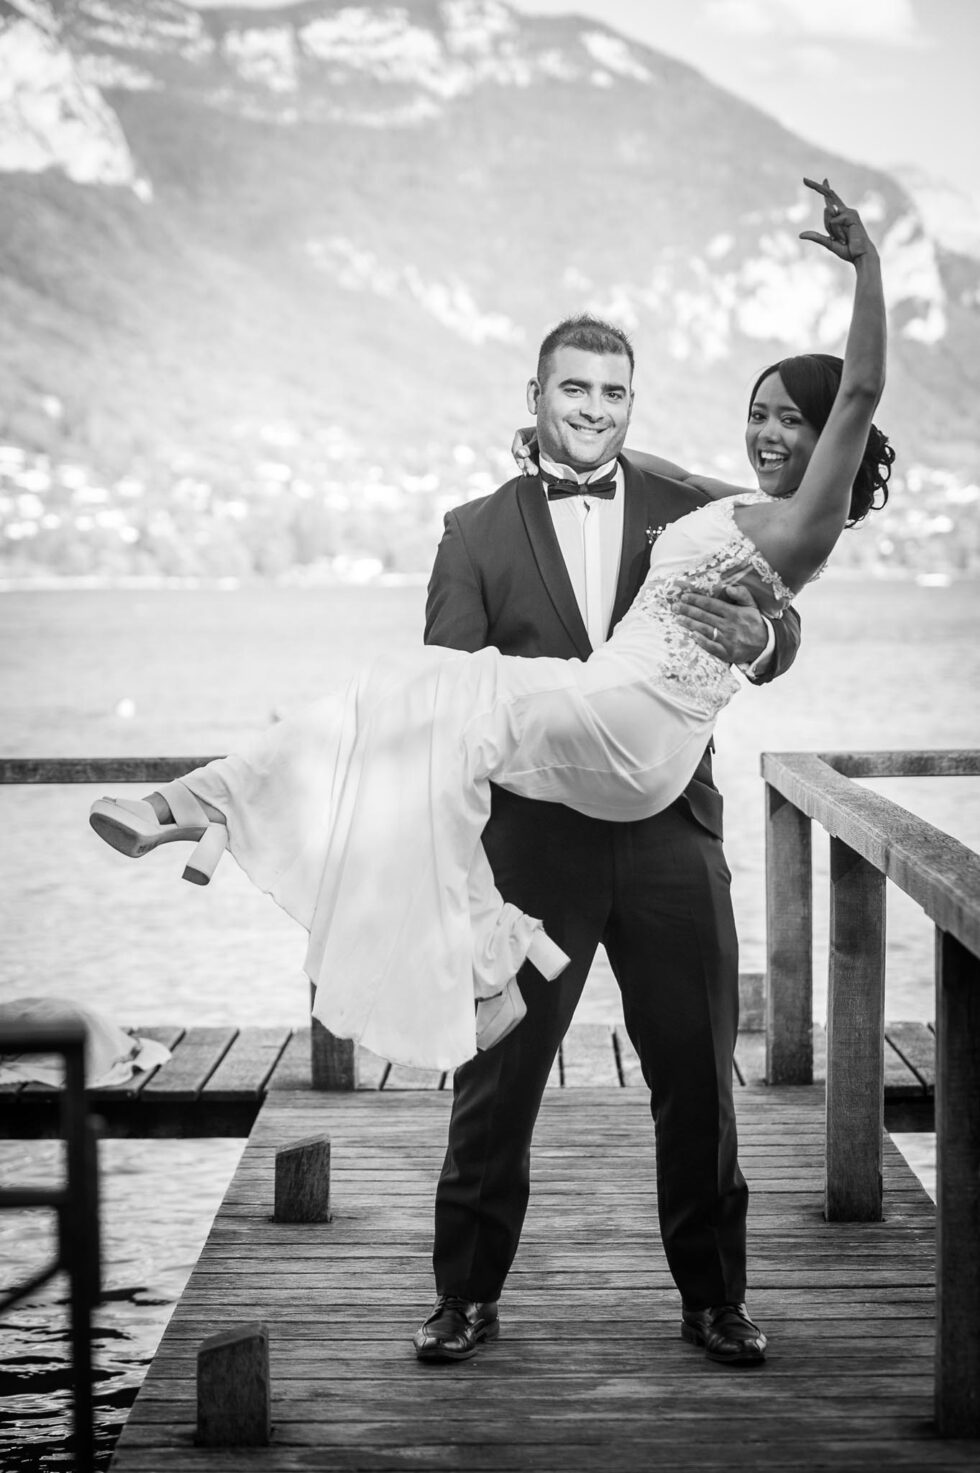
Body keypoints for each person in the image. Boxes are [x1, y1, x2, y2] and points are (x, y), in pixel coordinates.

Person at [87, 180, 890, 1364]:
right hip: (532, 833)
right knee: (497, 1077)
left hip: (665, 822)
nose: (596, 411)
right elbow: (444, 681)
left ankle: (713, 1299)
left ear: (633, 403)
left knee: (699, 1082)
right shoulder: (474, 529)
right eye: (574, 390)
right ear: (535, 398)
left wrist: (761, 638)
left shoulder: (698, 501)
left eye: (615, 393)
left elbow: (786, 604)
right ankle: (464, 1295)